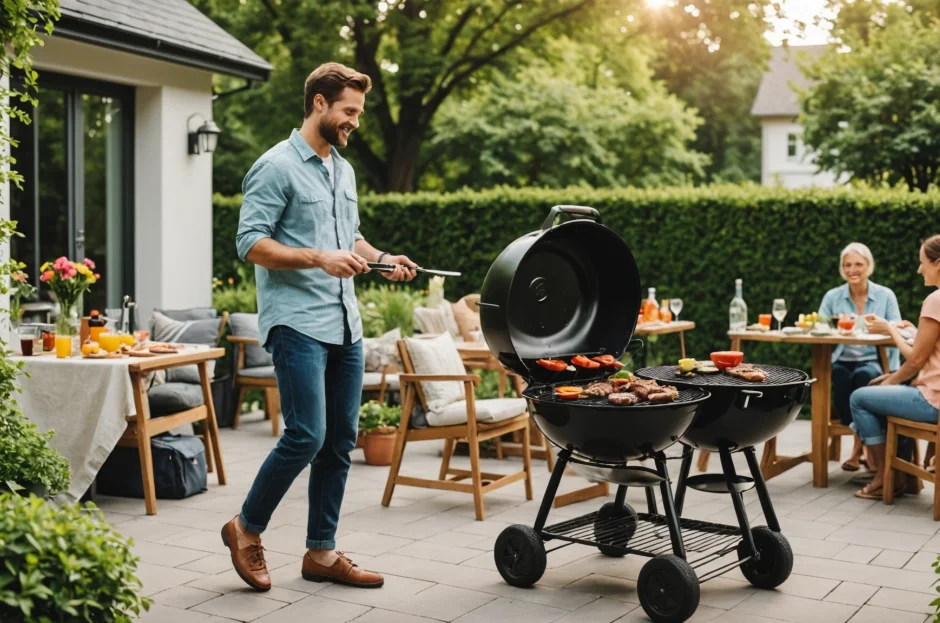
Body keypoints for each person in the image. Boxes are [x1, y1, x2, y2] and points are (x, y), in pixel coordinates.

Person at [222, 62, 417, 591]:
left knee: (340, 441)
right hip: (297, 323)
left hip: (345, 324)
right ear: (319, 105)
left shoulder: (342, 170)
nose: (355, 122)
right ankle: (245, 527)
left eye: (358, 112)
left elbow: (350, 238)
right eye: (349, 111)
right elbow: (250, 244)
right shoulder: (275, 166)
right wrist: (317, 259)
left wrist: (382, 259)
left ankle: (322, 553)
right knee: (307, 433)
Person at [851, 235, 940, 500]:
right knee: (879, 387)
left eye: (922, 262)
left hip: (932, 399)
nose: (919, 269)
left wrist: (890, 328)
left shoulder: (935, 300)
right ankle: (907, 478)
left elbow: (915, 360)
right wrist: (912, 331)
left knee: (860, 398)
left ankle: (885, 477)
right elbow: (929, 348)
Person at [819, 242, 901, 472]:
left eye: (858, 264)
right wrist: (836, 329)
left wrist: (881, 329)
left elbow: (898, 328)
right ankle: (862, 442)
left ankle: (857, 449)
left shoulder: (885, 295)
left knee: (864, 375)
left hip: (874, 360)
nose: (852, 269)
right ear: (842, 268)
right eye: (847, 265)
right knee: (839, 375)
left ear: (869, 266)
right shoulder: (832, 297)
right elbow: (819, 327)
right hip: (841, 358)